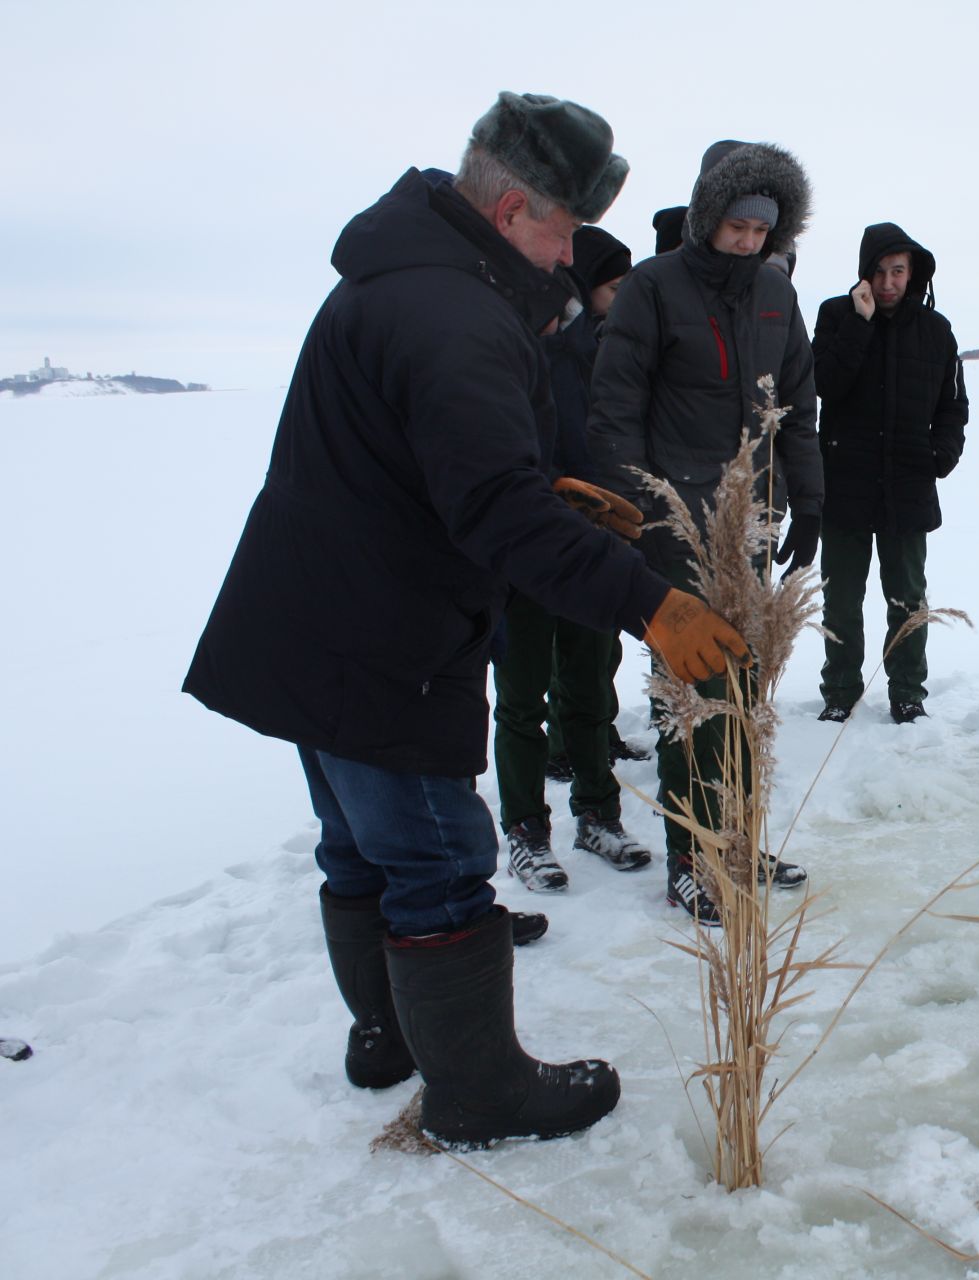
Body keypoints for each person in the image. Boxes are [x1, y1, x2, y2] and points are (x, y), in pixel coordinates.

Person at [182, 93, 748, 1147]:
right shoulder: (455, 315)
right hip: (380, 641)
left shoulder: (402, 279)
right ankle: (479, 1092)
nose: (571, 254)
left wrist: (543, 485)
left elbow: (439, 466)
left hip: (314, 620)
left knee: (357, 849)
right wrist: (648, 600)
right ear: (512, 212)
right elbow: (489, 508)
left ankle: (385, 1035)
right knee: (439, 859)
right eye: (566, 229)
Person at [588, 140, 819, 923]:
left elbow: (797, 408)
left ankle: (738, 836)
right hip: (676, 522)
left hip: (751, 518)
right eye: (737, 226)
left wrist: (807, 499)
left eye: (764, 229)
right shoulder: (653, 289)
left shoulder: (776, 297)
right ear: (706, 215)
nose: (750, 241)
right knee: (687, 690)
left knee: (746, 687)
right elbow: (614, 409)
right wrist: (643, 512)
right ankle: (690, 854)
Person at [494, 225, 649, 893]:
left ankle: (597, 814)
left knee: (589, 692)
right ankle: (526, 830)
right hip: (526, 546)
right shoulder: (511, 341)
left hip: (593, 547)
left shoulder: (611, 353)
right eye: (614, 284)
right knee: (523, 698)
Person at [813, 222, 968, 723]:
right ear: (864, 274)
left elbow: (952, 404)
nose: (887, 283)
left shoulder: (935, 329)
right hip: (844, 484)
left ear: (912, 273)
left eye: (897, 271)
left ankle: (907, 692)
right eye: (878, 272)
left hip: (907, 483)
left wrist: (941, 454)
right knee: (841, 600)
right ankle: (840, 691)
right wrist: (859, 324)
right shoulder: (836, 315)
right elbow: (825, 384)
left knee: (907, 599)